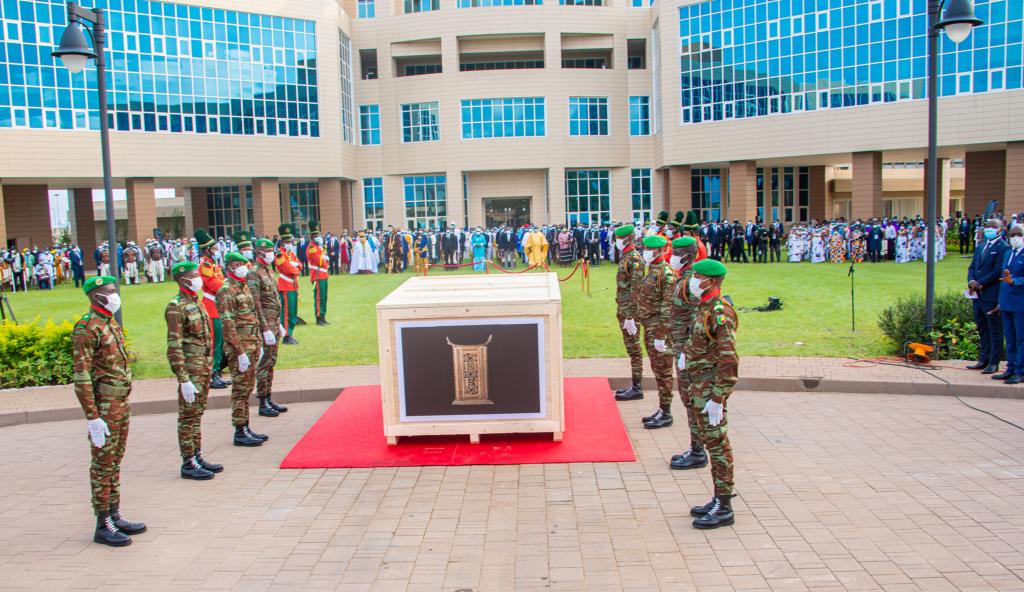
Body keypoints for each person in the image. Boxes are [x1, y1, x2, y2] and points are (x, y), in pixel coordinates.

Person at [73, 275, 146, 546]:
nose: (115, 295)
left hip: (119, 403)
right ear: (96, 296)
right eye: (110, 291)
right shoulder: (87, 328)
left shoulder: (108, 322)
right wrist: (92, 417)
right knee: (103, 464)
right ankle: (102, 523)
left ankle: (115, 515)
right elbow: (81, 376)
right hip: (104, 406)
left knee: (114, 461)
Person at [684, 258, 739, 529]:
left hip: (710, 389)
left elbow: (729, 358)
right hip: (699, 386)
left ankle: (724, 506)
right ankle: (718, 498)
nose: (693, 281)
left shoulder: (719, 312)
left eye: (697, 277)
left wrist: (718, 397)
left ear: (712, 281)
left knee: (718, 446)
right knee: (711, 442)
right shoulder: (704, 306)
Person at [165, 261, 222, 481]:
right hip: (190, 369)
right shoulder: (176, 307)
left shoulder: (195, 301)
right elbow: (174, 346)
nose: (198, 279)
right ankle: (188, 462)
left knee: (197, 414)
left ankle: (197, 455)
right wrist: (183, 379)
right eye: (193, 276)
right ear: (182, 280)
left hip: (202, 367)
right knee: (188, 416)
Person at [662, 238, 707, 468]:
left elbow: (698, 319)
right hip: (681, 347)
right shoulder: (684, 278)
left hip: (688, 350)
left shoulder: (692, 283)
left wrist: (687, 352)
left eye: (676, 253)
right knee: (687, 399)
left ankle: (698, 451)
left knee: (692, 400)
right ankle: (696, 447)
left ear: (688, 256)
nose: (672, 257)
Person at [217, 251, 267, 446]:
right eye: (239, 265)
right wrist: (239, 352)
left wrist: (258, 342)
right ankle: (239, 430)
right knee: (239, 389)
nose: (243, 268)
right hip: (240, 348)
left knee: (247, 388)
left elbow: (251, 316)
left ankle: (246, 427)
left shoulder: (243, 286)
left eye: (244, 265)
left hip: (251, 344)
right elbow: (228, 324)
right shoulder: (226, 290)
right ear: (229, 267)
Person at [633, 234, 676, 428]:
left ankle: (666, 413)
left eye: (649, 249)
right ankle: (662, 409)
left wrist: (661, 335)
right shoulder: (653, 269)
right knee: (657, 369)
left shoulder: (665, 273)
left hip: (659, 329)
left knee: (664, 371)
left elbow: (668, 307)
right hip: (650, 327)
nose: (645, 252)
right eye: (644, 249)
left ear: (659, 251)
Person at [249, 237, 288, 416]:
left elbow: (273, 298)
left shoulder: (268, 270)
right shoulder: (254, 273)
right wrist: (264, 329)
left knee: (271, 361)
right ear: (259, 252)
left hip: (273, 322)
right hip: (265, 323)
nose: (272, 254)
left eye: (272, 251)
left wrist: (278, 324)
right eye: (268, 251)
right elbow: (255, 302)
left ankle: (269, 397)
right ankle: (262, 401)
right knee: (264, 363)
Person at [967, 220, 1007, 374]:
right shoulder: (981, 247)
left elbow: (998, 271)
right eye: (988, 226)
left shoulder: (1003, 247)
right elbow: (972, 267)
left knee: (994, 329)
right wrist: (971, 281)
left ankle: (994, 362)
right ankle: (983, 359)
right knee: (982, 328)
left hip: (991, 295)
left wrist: (980, 283)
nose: (990, 229)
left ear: (1000, 229)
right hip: (977, 296)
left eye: (994, 227)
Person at [613, 224, 646, 401]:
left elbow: (636, 289)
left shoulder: (634, 259)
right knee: (631, 347)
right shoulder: (626, 256)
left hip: (630, 312)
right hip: (624, 309)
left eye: (619, 238)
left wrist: (631, 316)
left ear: (628, 239)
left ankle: (637, 387)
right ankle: (634, 384)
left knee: (634, 349)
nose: (617, 241)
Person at [197, 230, 231, 390]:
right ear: (206, 250)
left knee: (220, 342)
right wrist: (227, 286)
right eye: (214, 248)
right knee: (214, 342)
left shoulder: (213, 265)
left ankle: (216, 371)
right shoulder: (205, 265)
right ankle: (211, 374)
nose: (216, 250)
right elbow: (213, 284)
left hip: (217, 306)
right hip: (211, 306)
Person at [275, 224, 301, 344]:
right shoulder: (280, 255)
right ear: (282, 242)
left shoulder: (290, 254)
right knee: (286, 312)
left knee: (293, 312)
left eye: (290, 241)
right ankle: (286, 335)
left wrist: (295, 266)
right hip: (285, 286)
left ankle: (289, 333)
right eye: (287, 241)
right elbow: (287, 268)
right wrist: (295, 267)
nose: (289, 243)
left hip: (292, 285)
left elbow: (300, 264)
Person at [307, 221, 331, 325]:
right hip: (317, 274)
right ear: (312, 237)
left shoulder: (318, 247)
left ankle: (323, 315)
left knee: (324, 297)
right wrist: (324, 258)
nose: (319, 237)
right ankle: (318, 317)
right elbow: (318, 261)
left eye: (319, 234)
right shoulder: (312, 247)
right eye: (316, 235)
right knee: (319, 297)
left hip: (323, 274)